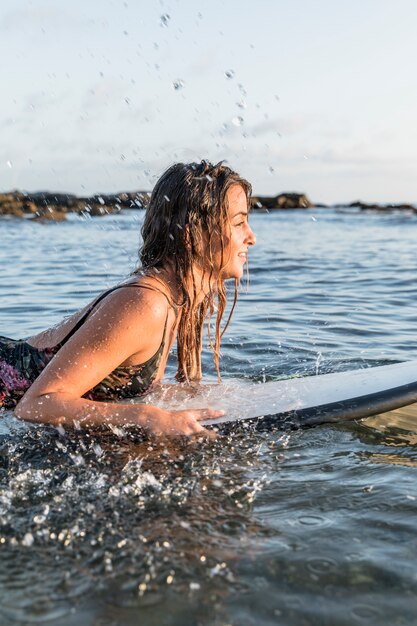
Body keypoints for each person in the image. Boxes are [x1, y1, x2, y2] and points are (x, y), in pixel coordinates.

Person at [0, 160, 256, 437]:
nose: (251, 238)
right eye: (239, 223)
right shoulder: (146, 305)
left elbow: (122, 388)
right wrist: (146, 417)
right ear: (193, 233)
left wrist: (230, 395)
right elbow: (35, 406)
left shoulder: (178, 300)